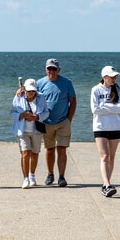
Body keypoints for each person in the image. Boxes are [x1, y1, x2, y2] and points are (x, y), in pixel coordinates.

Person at [37, 58, 77, 187]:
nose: (51, 71)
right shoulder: (40, 83)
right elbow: (31, 97)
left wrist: (69, 119)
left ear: (58, 70)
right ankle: (50, 174)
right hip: (46, 122)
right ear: (45, 69)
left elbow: (73, 101)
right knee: (49, 149)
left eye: (54, 69)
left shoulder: (67, 83)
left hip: (62, 122)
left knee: (61, 149)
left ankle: (61, 176)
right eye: (49, 68)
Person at [91, 66, 120, 197]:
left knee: (111, 157)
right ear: (104, 77)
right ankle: (107, 184)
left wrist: (104, 106)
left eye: (115, 77)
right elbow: (95, 110)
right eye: (111, 77)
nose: (114, 79)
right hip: (100, 127)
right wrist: (112, 108)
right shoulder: (95, 90)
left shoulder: (119, 89)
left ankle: (106, 184)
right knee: (104, 156)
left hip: (115, 126)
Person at [10, 78, 50, 189]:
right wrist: (21, 115)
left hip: (36, 130)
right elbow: (12, 112)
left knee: (35, 153)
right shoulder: (19, 96)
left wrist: (36, 117)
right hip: (22, 130)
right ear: (25, 90)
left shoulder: (41, 97)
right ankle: (25, 178)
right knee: (25, 153)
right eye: (28, 91)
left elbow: (46, 112)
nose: (31, 93)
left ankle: (32, 175)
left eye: (33, 91)